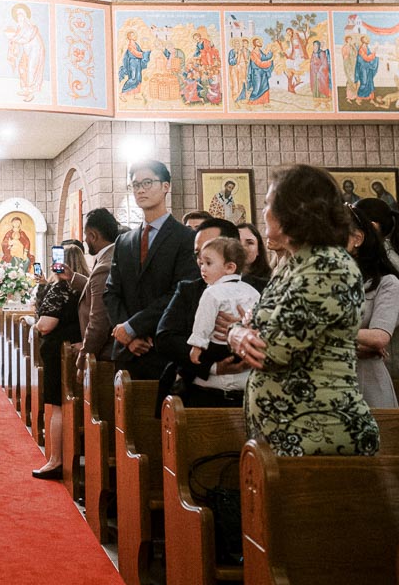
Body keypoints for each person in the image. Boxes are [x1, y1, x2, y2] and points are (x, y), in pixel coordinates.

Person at [227, 165, 380, 455]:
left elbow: (272, 350)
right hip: (287, 432)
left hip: (319, 431)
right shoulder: (292, 263)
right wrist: (237, 333)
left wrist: (240, 333)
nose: (263, 211)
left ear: (293, 211)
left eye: (268, 203)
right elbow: (248, 325)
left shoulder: (328, 266)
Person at [155, 217, 266, 408]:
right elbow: (165, 338)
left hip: (253, 396)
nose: (200, 261)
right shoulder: (189, 290)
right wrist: (213, 367)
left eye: (207, 252)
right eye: (197, 254)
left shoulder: (261, 288)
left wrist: (246, 327)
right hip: (200, 394)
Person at [103, 160, 198, 380]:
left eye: (148, 182)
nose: (141, 190)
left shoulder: (186, 238)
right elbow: (111, 292)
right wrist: (126, 334)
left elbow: (179, 292)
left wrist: (134, 326)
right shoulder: (124, 241)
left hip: (163, 347)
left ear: (166, 186)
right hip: (127, 351)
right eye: (135, 185)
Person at [32, 243, 91, 479]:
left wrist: (36, 325)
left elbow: (46, 325)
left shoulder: (62, 288)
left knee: (58, 405)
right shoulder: (87, 285)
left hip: (60, 353)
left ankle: (56, 460)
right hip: (78, 350)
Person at [354, 197, 399, 379]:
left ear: (372, 227)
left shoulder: (389, 263)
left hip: (390, 362)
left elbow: (384, 327)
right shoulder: (372, 261)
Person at [186, 237, 260, 394]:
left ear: (230, 267)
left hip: (218, 349)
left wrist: (197, 346)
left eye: (208, 263)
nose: (202, 269)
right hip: (244, 349)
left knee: (179, 371)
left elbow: (203, 321)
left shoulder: (211, 292)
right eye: (201, 263)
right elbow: (258, 316)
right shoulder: (251, 290)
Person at [346, 207, 399, 408]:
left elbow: (379, 337)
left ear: (357, 239)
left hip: (367, 381)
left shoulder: (386, 282)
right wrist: (354, 343)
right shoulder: (321, 282)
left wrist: (327, 335)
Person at [77, 208, 120, 368]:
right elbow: (95, 286)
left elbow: (98, 323)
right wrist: (73, 278)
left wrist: (83, 359)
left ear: (93, 236)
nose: (84, 240)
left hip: (104, 354)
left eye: (86, 235)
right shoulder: (115, 255)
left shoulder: (104, 266)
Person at [238, 221, 272, 285]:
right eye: (237, 241)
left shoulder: (269, 283)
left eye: (250, 242)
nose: (242, 247)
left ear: (258, 250)